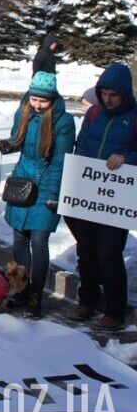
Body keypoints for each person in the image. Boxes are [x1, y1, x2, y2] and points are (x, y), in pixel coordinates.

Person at [0, 72, 75, 320]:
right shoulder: (24, 111)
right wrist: (10, 144)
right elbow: (19, 140)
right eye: (34, 99)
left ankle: (35, 297)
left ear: (52, 100)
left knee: (39, 241)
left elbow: (60, 162)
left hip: (46, 184)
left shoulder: (63, 122)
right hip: (22, 182)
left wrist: (53, 195)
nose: (37, 105)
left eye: (43, 101)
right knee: (19, 239)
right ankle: (22, 289)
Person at [69, 63, 137, 331]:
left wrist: (126, 159)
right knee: (85, 250)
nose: (108, 99)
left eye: (113, 95)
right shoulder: (94, 113)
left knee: (109, 253)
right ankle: (87, 300)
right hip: (88, 193)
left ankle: (115, 310)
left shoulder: (134, 117)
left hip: (115, 199)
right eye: (104, 93)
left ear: (124, 94)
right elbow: (83, 143)